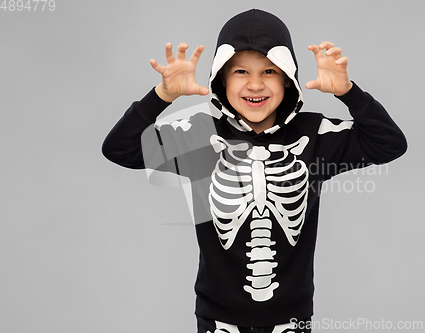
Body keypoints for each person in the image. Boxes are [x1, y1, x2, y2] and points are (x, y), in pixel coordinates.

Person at [102, 8, 407, 333]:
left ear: (288, 79)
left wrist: (349, 93)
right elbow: (121, 148)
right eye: (241, 72)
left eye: (270, 72)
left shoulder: (314, 134)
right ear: (221, 77)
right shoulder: (198, 132)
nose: (256, 85)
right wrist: (162, 96)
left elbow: (388, 143)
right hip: (217, 319)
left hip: (291, 319)